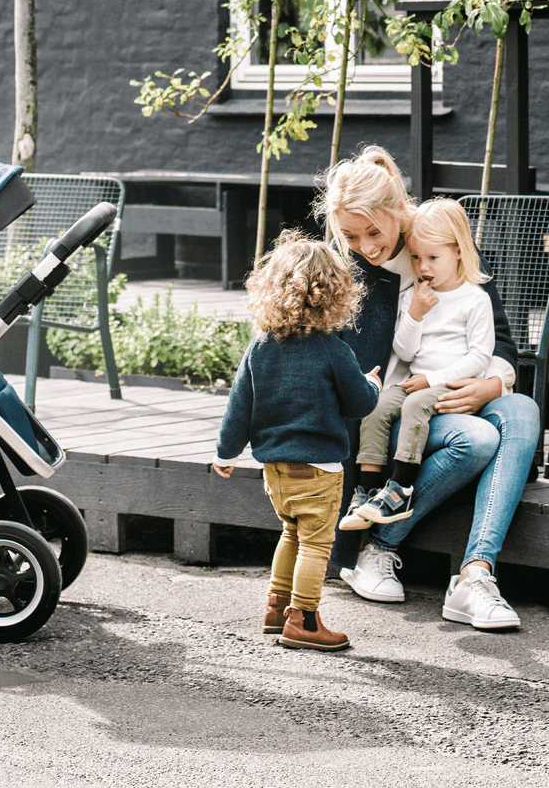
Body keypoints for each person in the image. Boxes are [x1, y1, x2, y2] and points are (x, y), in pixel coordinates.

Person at [316, 146, 540, 629]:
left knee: (520, 409)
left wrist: (490, 384)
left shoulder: (440, 240)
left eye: (375, 232)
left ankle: (475, 576)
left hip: (452, 398)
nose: (366, 246)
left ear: (401, 212)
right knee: (477, 440)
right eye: (351, 236)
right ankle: (378, 549)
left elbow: (500, 343)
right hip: (390, 417)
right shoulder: (348, 272)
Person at [213, 230, 381, 652]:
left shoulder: (261, 346)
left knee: (291, 532)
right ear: (335, 295)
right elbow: (359, 403)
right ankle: (303, 620)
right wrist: (372, 383)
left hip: (275, 472)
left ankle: (276, 606)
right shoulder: (332, 349)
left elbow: (239, 407)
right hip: (319, 469)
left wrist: (225, 453)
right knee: (316, 543)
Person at [341, 199, 494, 530]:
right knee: (377, 406)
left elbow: (480, 357)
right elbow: (405, 352)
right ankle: (365, 491)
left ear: (458, 252)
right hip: (416, 379)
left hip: (449, 383)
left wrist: (434, 378)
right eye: (416, 257)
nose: (423, 267)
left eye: (433, 258)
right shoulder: (416, 295)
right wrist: (415, 315)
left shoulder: (475, 299)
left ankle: (401, 487)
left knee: (414, 406)